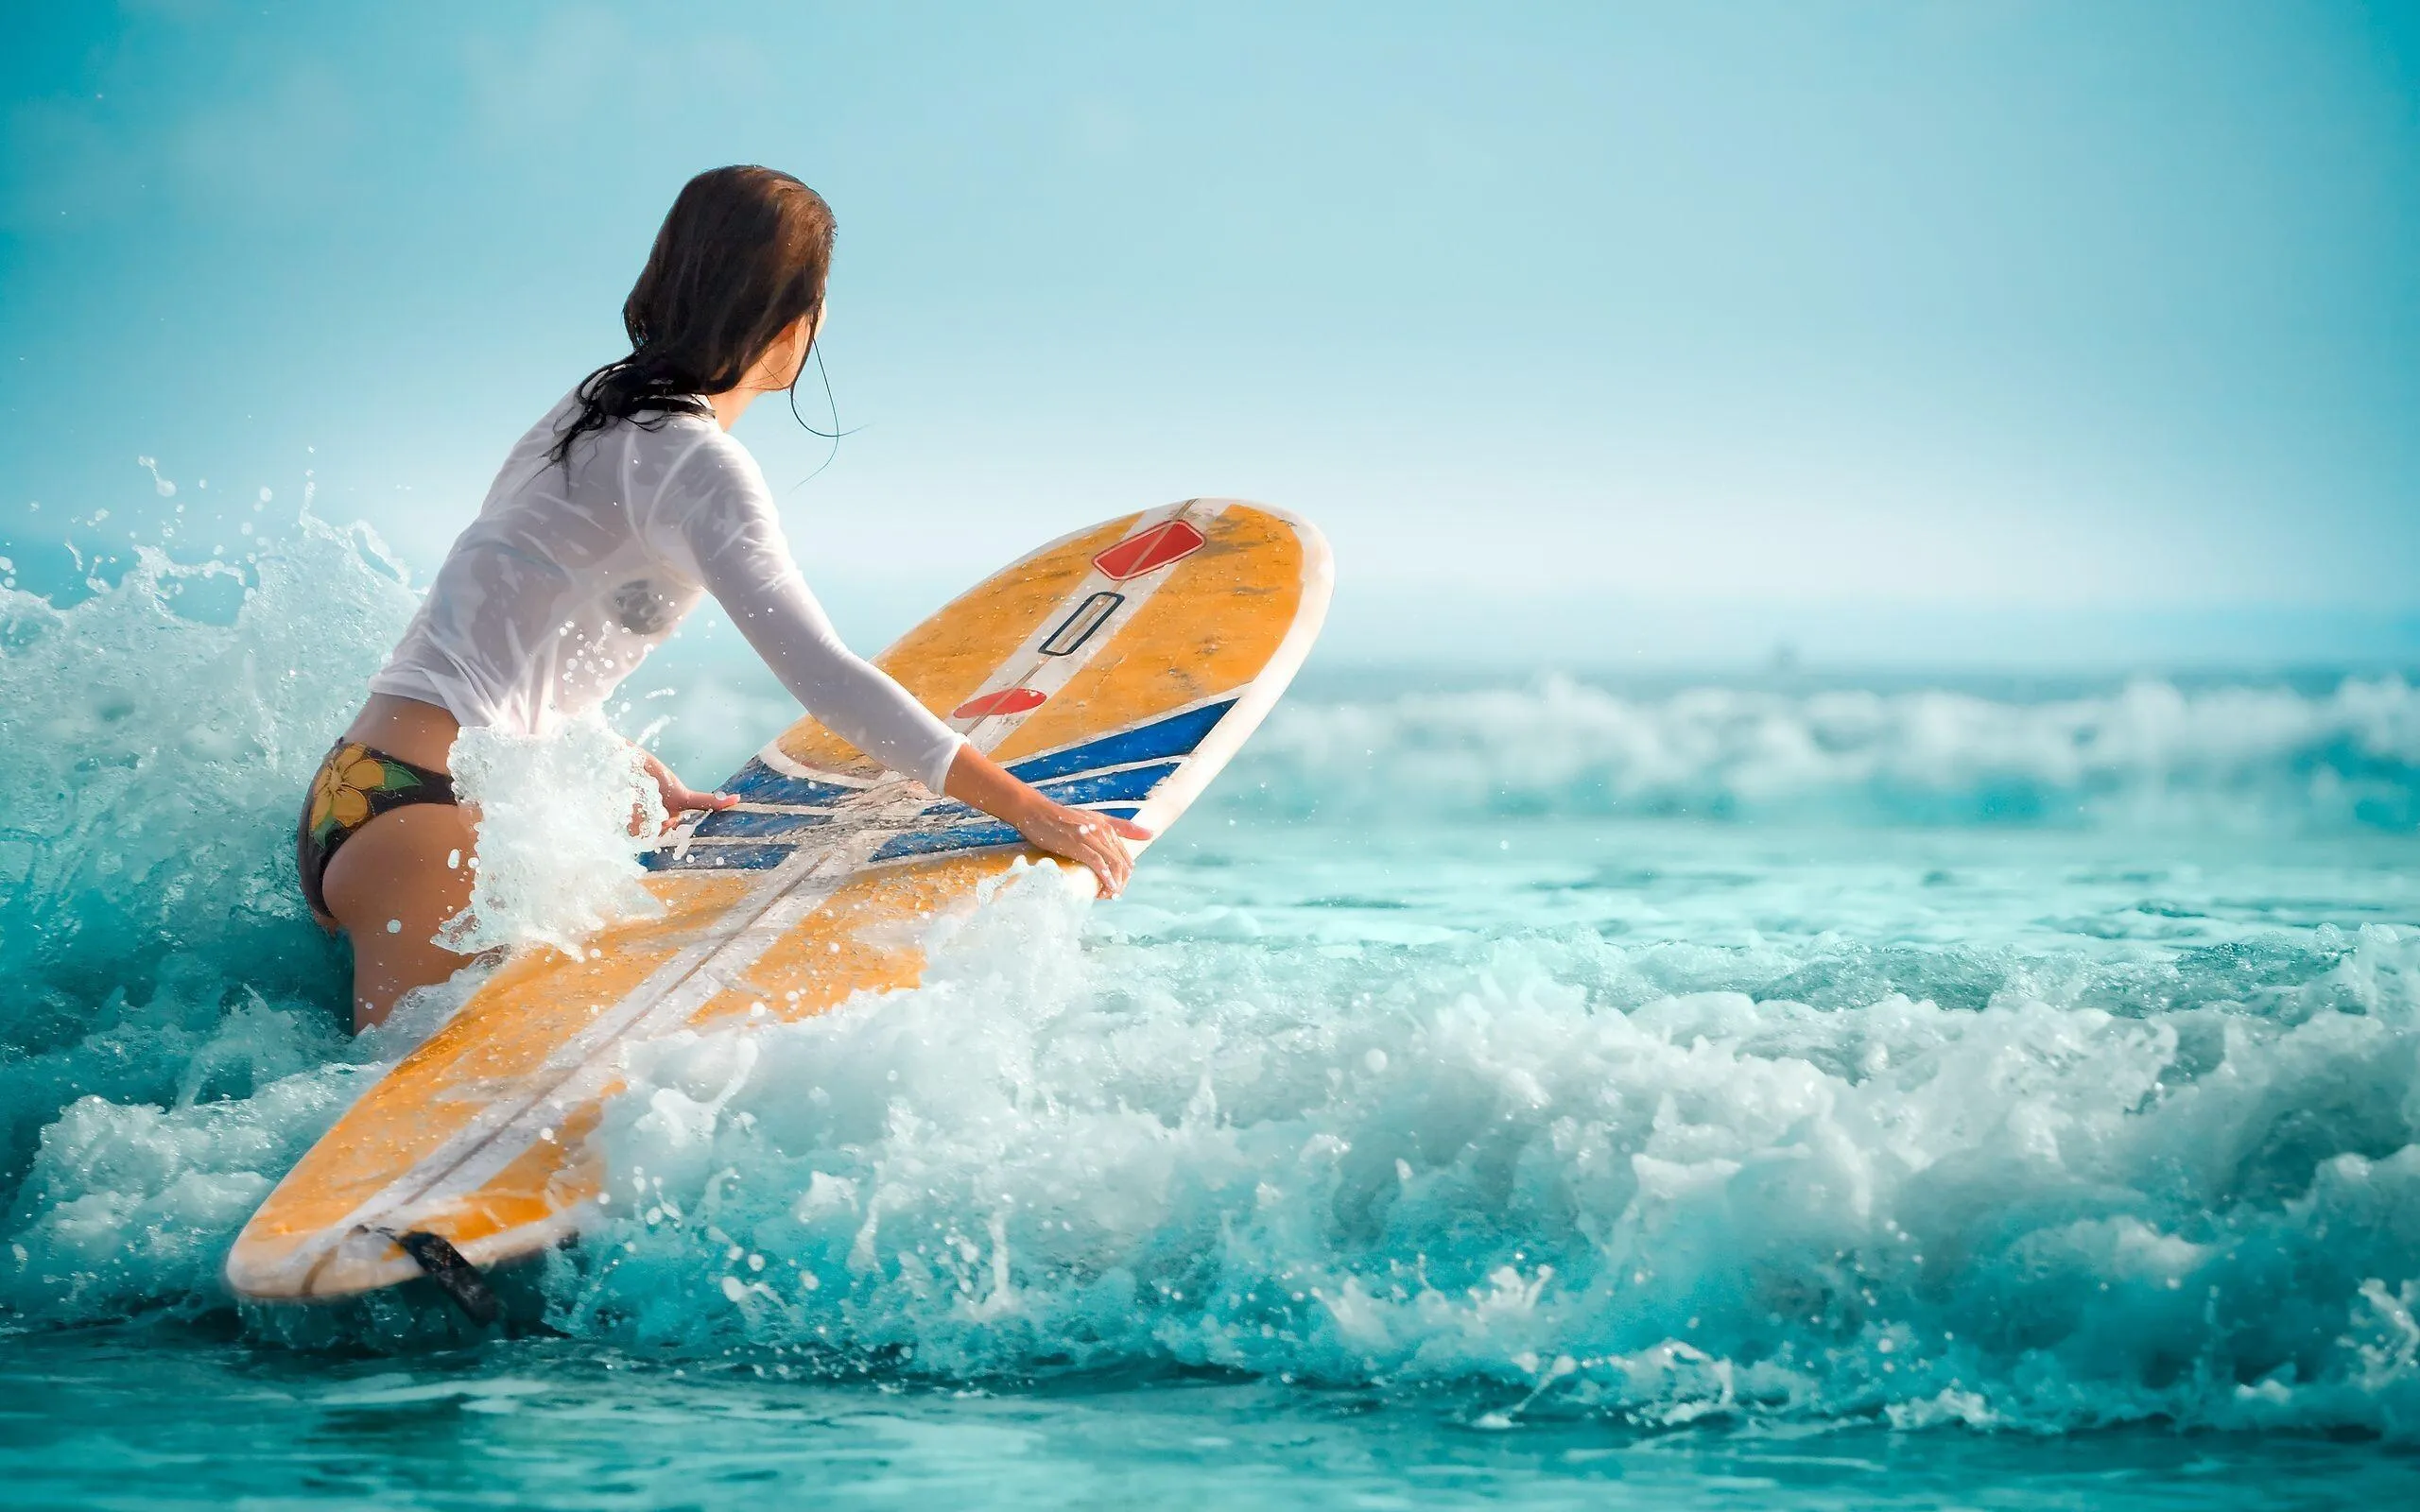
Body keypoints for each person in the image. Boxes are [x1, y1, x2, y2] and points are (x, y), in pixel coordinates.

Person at [299, 164, 1146, 1032]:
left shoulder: (589, 407)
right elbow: (828, 679)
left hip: (359, 794)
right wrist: (1032, 810)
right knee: (410, 1148)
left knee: (374, 1121)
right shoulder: (701, 464)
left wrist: (610, 757)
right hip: (435, 834)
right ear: (789, 325)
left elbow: (503, 619)